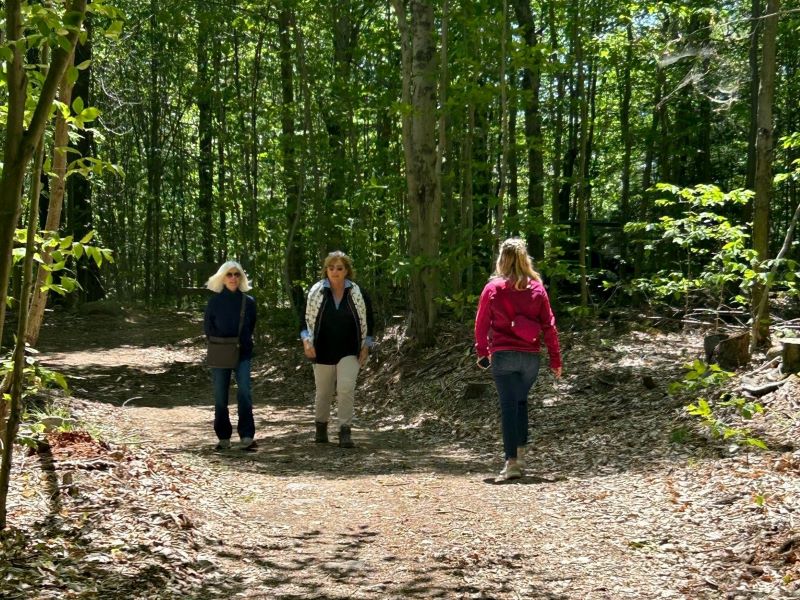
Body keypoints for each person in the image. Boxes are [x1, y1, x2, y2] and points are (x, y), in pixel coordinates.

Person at [474, 238, 562, 481]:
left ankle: (511, 462)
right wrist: (556, 359)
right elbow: (549, 325)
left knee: (508, 406)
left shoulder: (493, 288)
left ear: (502, 259)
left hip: (504, 355)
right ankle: (521, 457)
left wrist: (482, 351)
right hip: (530, 358)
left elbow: (481, 323)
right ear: (525, 259)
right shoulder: (537, 288)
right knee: (521, 402)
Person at [301, 251, 374, 448]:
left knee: (345, 388)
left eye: (339, 268)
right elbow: (304, 321)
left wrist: (366, 345)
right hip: (322, 350)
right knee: (323, 392)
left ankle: (345, 431)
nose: (335, 272)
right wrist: (306, 341)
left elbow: (369, 321)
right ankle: (321, 428)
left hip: (350, 349)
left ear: (347, 271)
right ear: (326, 270)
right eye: (331, 268)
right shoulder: (316, 292)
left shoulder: (358, 293)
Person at [204, 261, 258, 451]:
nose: (233, 278)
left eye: (237, 274)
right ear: (222, 277)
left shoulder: (249, 302)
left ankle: (247, 435)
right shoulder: (214, 302)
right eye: (229, 274)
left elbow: (251, 326)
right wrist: (222, 343)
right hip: (220, 353)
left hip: (242, 353)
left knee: (244, 392)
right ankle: (223, 437)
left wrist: (240, 343)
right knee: (220, 396)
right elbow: (208, 328)